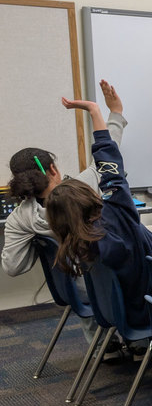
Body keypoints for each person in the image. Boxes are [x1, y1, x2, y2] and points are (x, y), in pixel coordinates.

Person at [45, 95, 152, 332]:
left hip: (121, 312)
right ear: (89, 196)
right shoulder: (119, 215)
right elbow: (109, 164)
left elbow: (110, 167)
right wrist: (95, 111)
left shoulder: (77, 241)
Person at [3, 80, 127, 279]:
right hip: (107, 286)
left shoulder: (20, 218)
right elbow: (105, 160)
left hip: (74, 289)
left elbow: (12, 267)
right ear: (53, 169)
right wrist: (115, 113)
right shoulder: (80, 192)